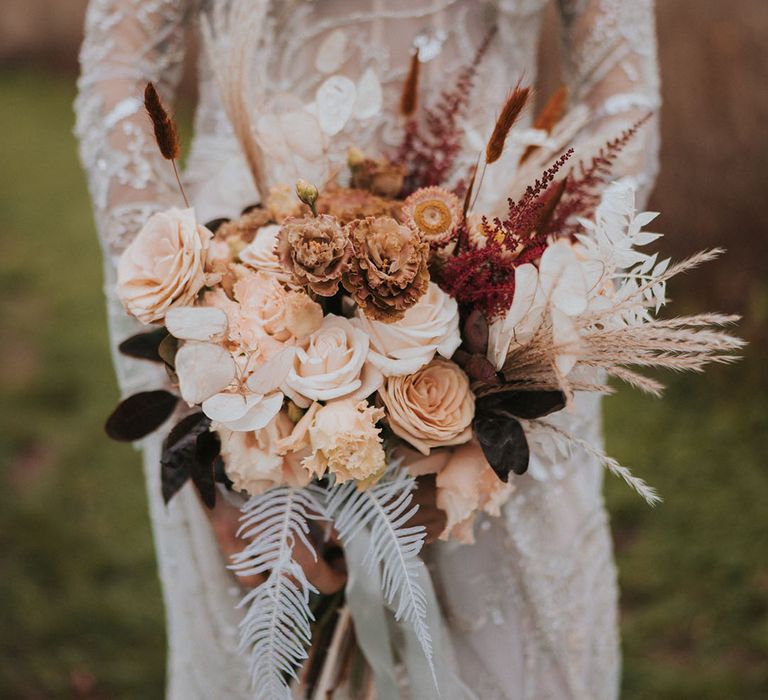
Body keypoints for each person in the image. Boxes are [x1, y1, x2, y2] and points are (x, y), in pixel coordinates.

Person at [75, 1, 660, 698]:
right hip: (247, 293)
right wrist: (201, 358)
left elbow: (621, 94)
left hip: (503, 278)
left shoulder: (522, 303)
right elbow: (121, 69)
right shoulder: (222, 322)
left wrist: (539, 311)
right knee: (277, 647)